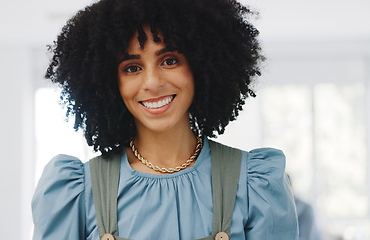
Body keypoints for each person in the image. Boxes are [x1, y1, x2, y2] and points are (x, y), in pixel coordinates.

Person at [32, 0, 299, 239]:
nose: (152, 82)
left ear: (200, 66)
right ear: (110, 83)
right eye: (132, 68)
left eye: (169, 60)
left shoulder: (256, 185)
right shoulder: (77, 192)